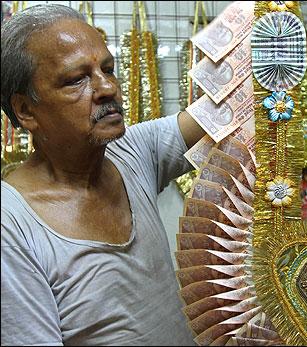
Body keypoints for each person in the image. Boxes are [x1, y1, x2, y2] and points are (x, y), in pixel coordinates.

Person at [1, 4, 206, 346]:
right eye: (76, 80)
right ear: (25, 110)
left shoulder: (133, 150)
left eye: (108, 70)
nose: (107, 88)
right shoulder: (12, 227)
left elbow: (222, 114)